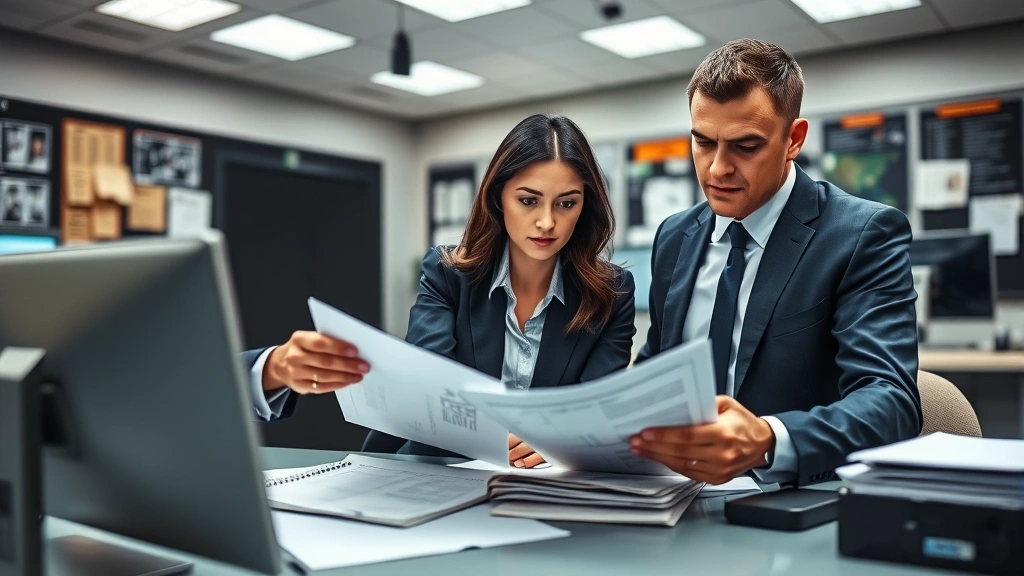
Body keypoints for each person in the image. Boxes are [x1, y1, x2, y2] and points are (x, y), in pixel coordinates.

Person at [246, 114, 637, 468]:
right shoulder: (448, 273)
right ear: (498, 197)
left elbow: (596, 415)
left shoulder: (612, 293)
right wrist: (495, 437)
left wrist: (558, 442)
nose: (547, 222)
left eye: (566, 203)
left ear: (585, 207)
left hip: (548, 484)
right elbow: (429, 391)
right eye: (528, 200)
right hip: (440, 472)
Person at [628, 39, 921, 487]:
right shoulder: (674, 236)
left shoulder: (862, 234)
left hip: (789, 501)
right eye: (703, 143)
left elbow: (891, 401)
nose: (716, 169)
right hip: (673, 496)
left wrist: (768, 439)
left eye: (745, 146)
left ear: (794, 139)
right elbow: (656, 372)